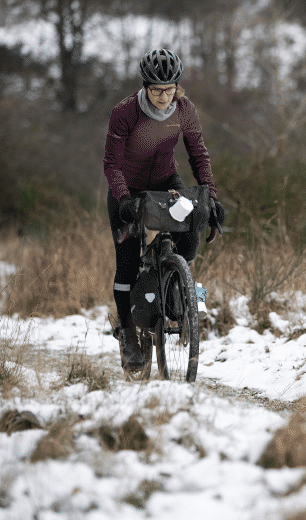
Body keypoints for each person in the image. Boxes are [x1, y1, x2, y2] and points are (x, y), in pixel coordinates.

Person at [103, 49, 224, 371]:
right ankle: (127, 332)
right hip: (125, 188)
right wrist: (125, 198)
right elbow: (111, 163)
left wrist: (210, 197)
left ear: (177, 87)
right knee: (127, 263)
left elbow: (198, 155)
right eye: (156, 90)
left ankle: (177, 284)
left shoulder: (184, 109)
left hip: (165, 180)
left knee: (190, 234)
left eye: (168, 89)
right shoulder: (125, 112)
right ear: (145, 86)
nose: (162, 96)